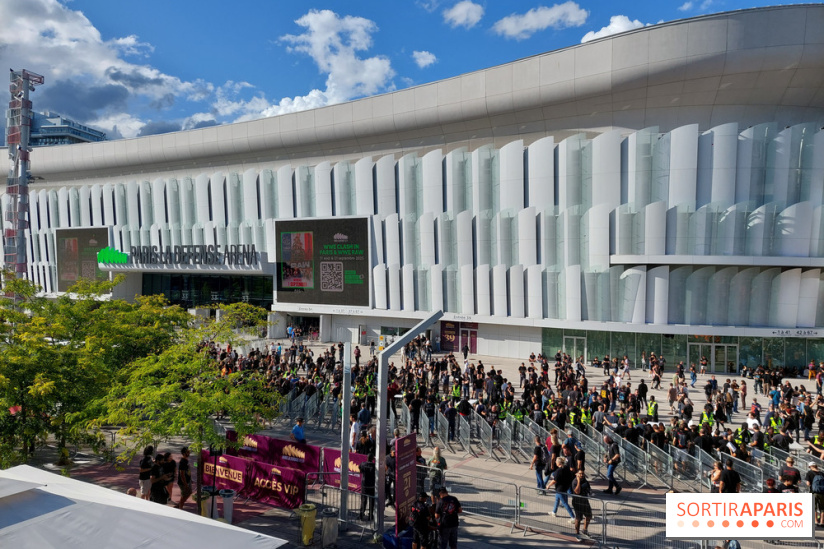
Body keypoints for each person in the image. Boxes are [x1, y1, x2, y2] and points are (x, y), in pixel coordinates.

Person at [571, 469, 593, 540]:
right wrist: (578, 481)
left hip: (585, 501)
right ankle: (577, 533)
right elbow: (577, 492)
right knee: (578, 518)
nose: (581, 475)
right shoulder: (575, 481)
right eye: (580, 473)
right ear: (576, 474)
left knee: (589, 515)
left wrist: (589, 492)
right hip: (577, 502)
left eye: (582, 473)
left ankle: (584, 530)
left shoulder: (585, 480)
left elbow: (588, 488)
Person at [359, 454, 376, 521]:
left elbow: (360, 469)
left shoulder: (363, 464)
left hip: (364, 485)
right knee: (371, 501)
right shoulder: (374, 466)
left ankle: (361, 514)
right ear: (372, 459)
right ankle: (370, 515)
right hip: (371, 485)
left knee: (363, 500)